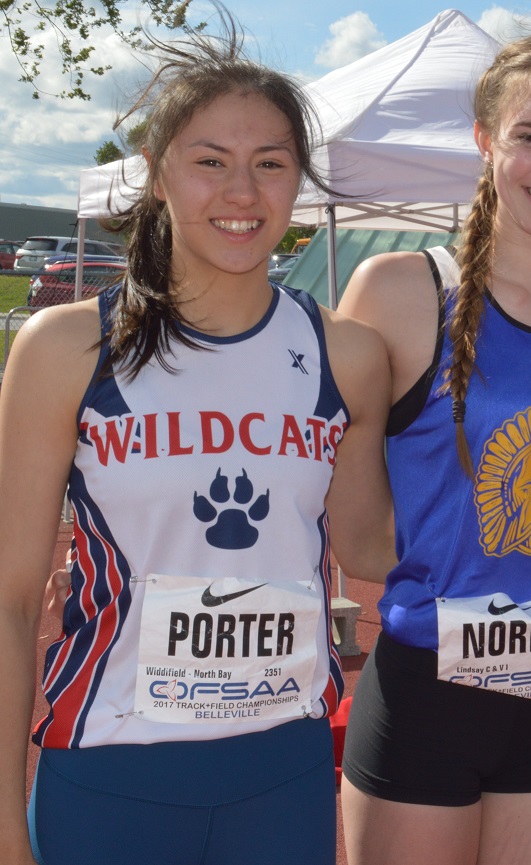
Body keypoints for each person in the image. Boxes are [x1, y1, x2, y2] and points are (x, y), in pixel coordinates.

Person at [0, 17, 393, 865]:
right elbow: (10, 599)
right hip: (110, 773)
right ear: (157, 174)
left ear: (299, 180)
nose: (241, 192)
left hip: (282, 774)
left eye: (271, 163)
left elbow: (373, 545)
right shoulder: (67, 348)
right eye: (210, 160)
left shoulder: (347, 354)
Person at [334, 31, 531, 865]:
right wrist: (485, 556)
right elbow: (356, 536)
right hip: (427, 694)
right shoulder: (401, 291)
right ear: (485, 139)